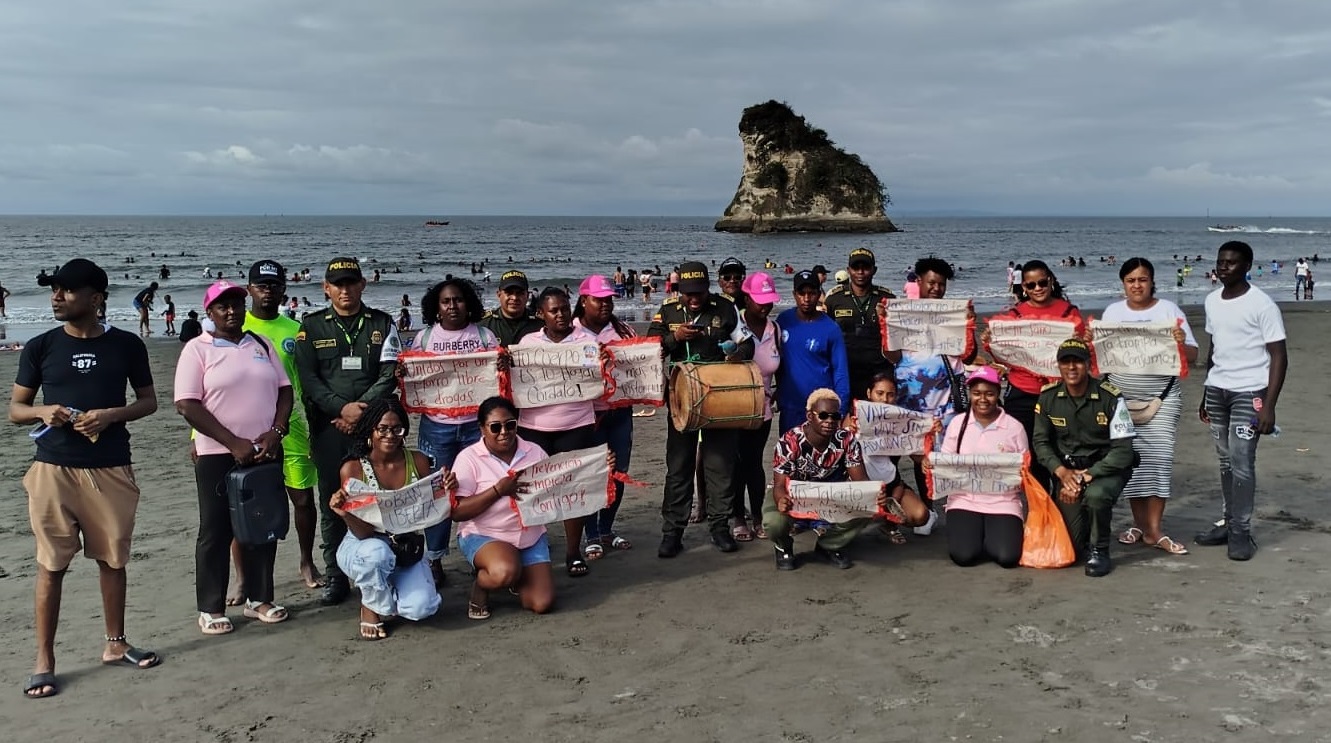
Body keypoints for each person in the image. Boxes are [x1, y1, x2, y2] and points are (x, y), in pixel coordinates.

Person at [10, 259, 160, 699]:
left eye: (66, 290)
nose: (56, 296)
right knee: (51, 565)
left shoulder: (128, 346)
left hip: (111, 465)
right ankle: (44, 661)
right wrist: (42, 410)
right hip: (52, 469)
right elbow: (16, 410)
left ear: (95, 299)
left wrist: (112, 415)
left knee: (112, 560)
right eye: (54, 290)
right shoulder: (40, 347)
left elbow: (148, 401)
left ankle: (115, 645)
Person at [175, 280, 293, 634]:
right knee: (215, 528)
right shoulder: (198, 349)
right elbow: (187, 404)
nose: (231, 311)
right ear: (209, 312)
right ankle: (210, 607)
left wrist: (276, 431)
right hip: (217, 454)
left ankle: (259, 600)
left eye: (237, 305)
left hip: (265, 450)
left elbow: (285, 391)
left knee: (262, 524)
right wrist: (232, 442)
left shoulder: (260, 344)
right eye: (222, 306)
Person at [294, 257, 402, 605]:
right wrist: (341, 409)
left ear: (362, 285)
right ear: (326, 288)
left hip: (374, 430)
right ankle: (335, 576)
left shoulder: (382, 323)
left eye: (351, 282)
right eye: (337, 283)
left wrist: (361, 412)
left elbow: (389, 374)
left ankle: (385, 562)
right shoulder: (310, 327)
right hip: (329, 427)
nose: (345, 289)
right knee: (332, 500)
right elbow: (308, 379)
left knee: (382, 496)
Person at [648, 261, 755, 557]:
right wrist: (675, 338)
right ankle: (673, 532)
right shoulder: (668, 310)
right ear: (678, 289)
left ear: (708, 288)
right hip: (681, 398)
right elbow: (649, 348)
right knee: (679, 467)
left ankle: (720, 528)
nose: (694, 299)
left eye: (699, 292)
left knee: (720, 466)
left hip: (719, 397)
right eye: (688, 293)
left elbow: (747, 344)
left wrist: (736, 355)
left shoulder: (725, 307)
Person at [1195, 240, 1287, 560]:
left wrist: (1270, 406)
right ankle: (1228, 521)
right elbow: (1214, 348)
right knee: (1224, 461)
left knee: (1242, 462)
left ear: (1247, 266)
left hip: (1250, 394)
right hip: (1218, 391)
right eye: (1221, 261)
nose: (1224, 267)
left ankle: (1241, 533)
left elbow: (1279, 356)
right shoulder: (1211, 300)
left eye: (1231, 263)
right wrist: (1206, 392)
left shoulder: (1261, 305)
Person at [765, 389, 927, 571]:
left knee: (867, 506)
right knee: (774, 522)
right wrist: (781, 500)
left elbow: (860, 480)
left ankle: (829, 544)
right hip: (791, 493)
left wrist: (873, 496)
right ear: (810, 416)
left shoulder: (846, 440)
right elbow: (779, 485)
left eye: (835, 416)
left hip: (830, 494)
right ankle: (783, 546)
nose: (830, 421)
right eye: (823, 416)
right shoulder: (789, 441)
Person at [1101, 258, 1198, 556]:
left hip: (1162, 397)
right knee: (1130, 461)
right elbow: (1100, 357)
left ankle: (1155, 529)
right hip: (1120, 399)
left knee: (1159, 459)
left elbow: (1193, 355)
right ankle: (1139, 525)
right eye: (1131, 280)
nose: (1137, 285)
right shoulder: (1113, 312)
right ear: (1123, 284)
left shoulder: (1169, 310)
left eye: (1143, 279)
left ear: (1152, 281)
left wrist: (1181, 343)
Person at [328, 399, 443, 639]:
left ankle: (387, 590)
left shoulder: (418, 461)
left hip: (405, 545)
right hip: (363, 544)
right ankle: (370, 605)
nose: (390, 435)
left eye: (396, 429)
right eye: (382, 429)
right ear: (371, 429)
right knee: (377, 556)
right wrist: (345, 512)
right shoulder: (353, 469)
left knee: (422, 608)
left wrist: (444, 489)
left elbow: (432, 511)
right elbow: (364, 533)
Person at [411, 278, 501, 583]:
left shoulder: (485, 336)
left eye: (459, 300)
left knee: (480, 488)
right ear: (436, 307)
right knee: (438, 492)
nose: (453, 306)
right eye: (446, 301)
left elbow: (499, 378)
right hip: (437, 428)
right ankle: (434, 558)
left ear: (469, 304)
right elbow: (414, 382)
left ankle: (485, 550)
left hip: (477, 427)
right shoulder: (424, 340)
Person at [241, 261, 323, 589]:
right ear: (249, 290)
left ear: (284, 290)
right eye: (261, 285)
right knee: (246, 505)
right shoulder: (234, 325)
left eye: (274, 285)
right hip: (247, 429)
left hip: (293, 427)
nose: (268, 291)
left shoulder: (294, 330)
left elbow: (305, 383)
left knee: (303, 500)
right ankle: (244, 577)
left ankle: (306, 560)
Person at [887, 258, 977, 534]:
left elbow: (968, 355)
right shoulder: (904, 313)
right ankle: (921, 508)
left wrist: (969, 324)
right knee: (911, 453)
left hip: (946, 398)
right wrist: (885, 323)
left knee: (944, 455)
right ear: (919, 283)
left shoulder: (954, 313)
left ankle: (950, 505)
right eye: (931, 283)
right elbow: (890, 355)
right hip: (908, 398)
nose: (936, 288)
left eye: (941, 284)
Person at [514, 288, 600, 576]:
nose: (561, 314)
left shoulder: (587, 341)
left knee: (573, 490)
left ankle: (573, 552)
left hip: (576, 424)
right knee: (531, 492)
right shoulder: (528, 342)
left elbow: (600, 376)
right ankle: (530, 548)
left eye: (565, 308)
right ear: (541, 314)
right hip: (533, 427)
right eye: (554, 310)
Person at [1032, 339, 1136, 577]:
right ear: (1058, 366)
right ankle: (1088, 532)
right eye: (1065, 362)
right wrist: (1061, 472)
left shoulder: (1110, 397)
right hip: (1067, 472)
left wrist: (1088, 476)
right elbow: (1041, 442)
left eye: (1077, 362)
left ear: (1088, 365)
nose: (1071, 368)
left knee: (1097, 495)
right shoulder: (1048, 397)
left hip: (1104, 469)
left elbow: (1123, 449)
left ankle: (1100, 550)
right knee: (1070, 549)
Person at [451, 397, 555, 620]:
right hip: (485, 534)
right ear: (482, 429)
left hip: (530, 535)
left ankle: (517, 576)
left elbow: (558, 488)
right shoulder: (468, 458)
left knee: (541, 603)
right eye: (495, 427)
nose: (504, 432)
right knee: (503, 571)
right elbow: (457, 511)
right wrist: (498, 490)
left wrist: (600, 468)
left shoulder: (534, 451)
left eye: (510, 425)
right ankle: (481, 586)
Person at [983, 260, 1084, 485]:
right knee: (1028, 453)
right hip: (1022, 393)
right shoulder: (1014, 316)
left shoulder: (1069, 313)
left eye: (1042, 282)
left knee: (1061, 450)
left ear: (1051, 281)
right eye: (1031, 285)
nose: (1037, 288)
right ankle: (1040, 508)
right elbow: (1004, 357)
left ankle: (1061, 506)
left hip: (1060, 393)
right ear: (1023, 288)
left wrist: (1081, 342)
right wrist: (991, 345)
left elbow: (1082, 356)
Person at [938, 367, 1029, 568]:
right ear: (970, 394)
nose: (983, 399)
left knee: (1007, 557)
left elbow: (1024, 471)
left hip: (1003, 501)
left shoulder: (1014, 428)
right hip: (964, 499)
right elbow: (945, 463)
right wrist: (932, 464)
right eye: (977, 393)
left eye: (989, 394)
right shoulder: (957, 424)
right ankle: (978, 532)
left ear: (998, 393)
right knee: (964, 556)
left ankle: (992, 533)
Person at [573, 275, 637, 555]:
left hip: (620, 413)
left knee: (618, 473)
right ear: (583, 300)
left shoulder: (624, 331)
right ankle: (591, 534)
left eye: (609, 299)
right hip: (586, 416)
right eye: (598, 299)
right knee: (591, 475)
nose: (605, 304)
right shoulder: (570, 334)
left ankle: (607, 528)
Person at [730, 272, 783, 540]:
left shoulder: (775, 330)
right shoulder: (733, 324)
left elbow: (781, 368)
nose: (765, 306)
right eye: (759, 300)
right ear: (747, 298)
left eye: (769, 301)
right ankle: (738, 517)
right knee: (737, 462)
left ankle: (759, 516)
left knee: (754, 462)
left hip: (762, 409)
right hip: (734, 407)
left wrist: (779, 391)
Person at [775, 270, 850, 434]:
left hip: (821, 410)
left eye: (812, 293)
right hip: (791, 407)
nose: (807, 299)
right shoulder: (783, 321)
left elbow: (840, 372)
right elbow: (775, 361)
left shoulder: (831, 328)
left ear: (819, 293)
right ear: (794, 294)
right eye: (802, 293)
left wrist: (840, 411)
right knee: (789, 456)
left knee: (821, 458)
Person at [824, 248, 896, 408]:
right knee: (847, 422)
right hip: (846, 372)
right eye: (856, 267)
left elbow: (899, 337)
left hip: (879, 373)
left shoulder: (888, 299)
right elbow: (825, 337)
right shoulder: (834, 299)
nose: (861, 272)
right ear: (849, 270)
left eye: (866, 267)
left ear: (874, 270)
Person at [480, 270, 542, 346]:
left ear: (527, 295)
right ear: (499, 295)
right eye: (509, 293)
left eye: (519, 293)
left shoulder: (540, 326)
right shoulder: (483, 326)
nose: (514, 298)